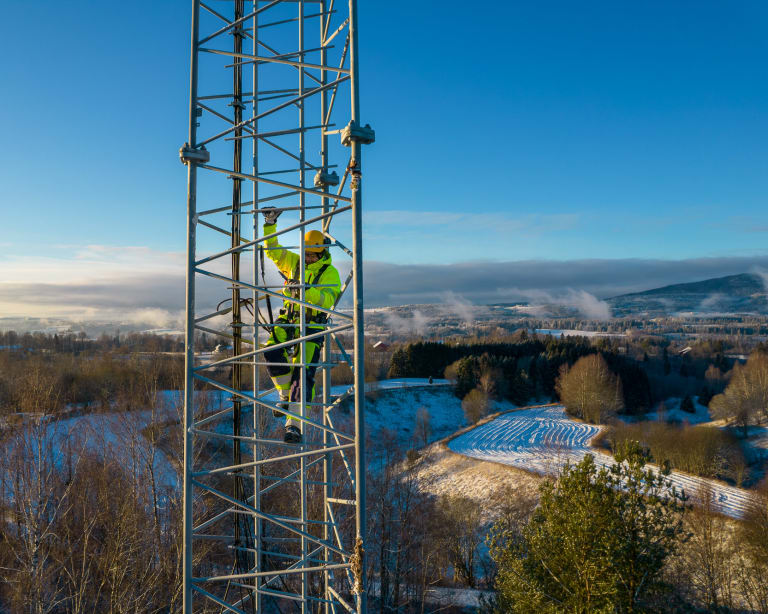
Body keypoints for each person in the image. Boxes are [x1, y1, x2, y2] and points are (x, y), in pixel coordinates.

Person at [261, 206, 341, 443]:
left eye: (312, 256)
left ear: (321, 254)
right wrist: (270, 225)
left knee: (301, 374)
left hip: (311, 327)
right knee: (272, 352)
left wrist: (307, 293)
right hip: (289, 320)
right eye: (306, 254)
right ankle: (285, 394)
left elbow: (327, 301)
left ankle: (293, 426)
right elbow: (273, 251)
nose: (307, 259)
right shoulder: (294, 263)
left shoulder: (330, 274)